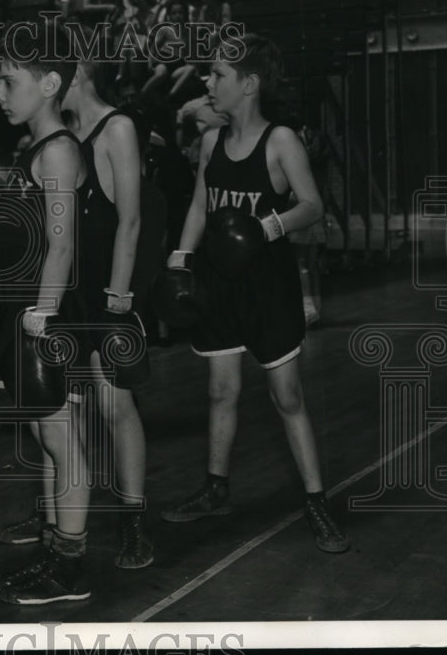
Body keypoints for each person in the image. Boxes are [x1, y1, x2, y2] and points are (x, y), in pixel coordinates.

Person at [160, 34, 350, 554]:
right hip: (219, 283)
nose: (208, 81)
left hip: (268, 284)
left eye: (218, 74)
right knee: (220, 391)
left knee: (286, 395)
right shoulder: (211, 141)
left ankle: (316, 501)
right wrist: (181, 257)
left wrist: (266, 227)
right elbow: (201, 202)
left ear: (249, 83)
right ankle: (216, 488)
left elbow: (311, 205)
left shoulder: (281, 140)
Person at [0, 33, 157, 569]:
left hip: (103, 287)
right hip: (65, 285)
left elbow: (130, 219)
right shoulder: (58, 136)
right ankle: (52, 516)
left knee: (113, 406)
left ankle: (134, 521)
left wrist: (119, 298)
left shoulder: (117, 127)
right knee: (57, 412)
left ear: (75, 72)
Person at [0, 22, 92, 605]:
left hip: (43, 318)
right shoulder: (36, 150)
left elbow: (63, 244)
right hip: (26, 312)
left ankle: (72, 567)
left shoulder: (57, 150)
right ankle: (57, 553)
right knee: (48, 440)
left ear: (50, 83)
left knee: (62, 441)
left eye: (8, 82)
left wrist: (42, 316)